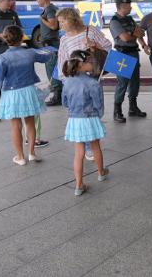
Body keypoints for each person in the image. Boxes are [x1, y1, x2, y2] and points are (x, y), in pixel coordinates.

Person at [0, 25, 51, 166]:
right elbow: (46, 58)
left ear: (5, 38)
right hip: (28, 91)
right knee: (30, 123)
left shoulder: (2, 58)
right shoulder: (30, 53)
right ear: (22, 37)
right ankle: (32, 153)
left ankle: (20, 157)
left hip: (11, 93)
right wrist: (51, 50)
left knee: (15, 126)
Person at [56, 7, 112, 161]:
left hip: (93, 78)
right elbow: (62, 60)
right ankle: (88, 146)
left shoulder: (91, 31)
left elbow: (108, 46)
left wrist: (94, 45)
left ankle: (92, 142)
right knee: (81, 112)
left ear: (71, 19)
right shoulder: (64, 39)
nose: (60, 25)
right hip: (75, 83)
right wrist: (65, 80)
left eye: (62, 22)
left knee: (93, 110)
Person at [62, 49, 109, 196]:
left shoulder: (67, 82)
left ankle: (78, 185)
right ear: (81, 64)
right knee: (96, 147)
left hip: (74, 120)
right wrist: (99, 116)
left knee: (79, 153)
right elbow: (98, 105)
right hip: (90, 119)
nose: (93, 63)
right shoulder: (92, 83)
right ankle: (101, 172)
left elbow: (64, 103)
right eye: (90, 61)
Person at [109, 0, 147, 123]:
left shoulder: (130, 19)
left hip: (133, 52)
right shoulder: (115, 21)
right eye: (129, 6)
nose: (130, 7)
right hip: (121, 54)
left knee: (135, 82)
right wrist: (134, 34)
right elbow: (124, 38)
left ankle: (133, 107)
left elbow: (140, 33)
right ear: (122, 7)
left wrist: (143, 44)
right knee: (122, 84)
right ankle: (117, 111)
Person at [35, 0, 63, 106]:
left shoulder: (50, 10)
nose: (37, 1)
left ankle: (57, 96)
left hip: (51, 44)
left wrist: (42, 20)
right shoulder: (49, 9)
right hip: (49, 43)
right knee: (51, 68)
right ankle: (58, 94)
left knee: (52, 69)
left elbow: (53, 26)